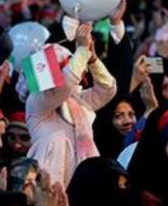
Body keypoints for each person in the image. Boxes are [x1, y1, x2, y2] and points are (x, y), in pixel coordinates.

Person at [25, 23, 117, 186]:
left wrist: (93, 59)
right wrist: (82, 50)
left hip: (80, 185)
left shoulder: (77, 101)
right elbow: (64, 85)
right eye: (66, 65)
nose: (80, 70)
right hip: (48, 186)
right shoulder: (37, 100)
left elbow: (108, 88)